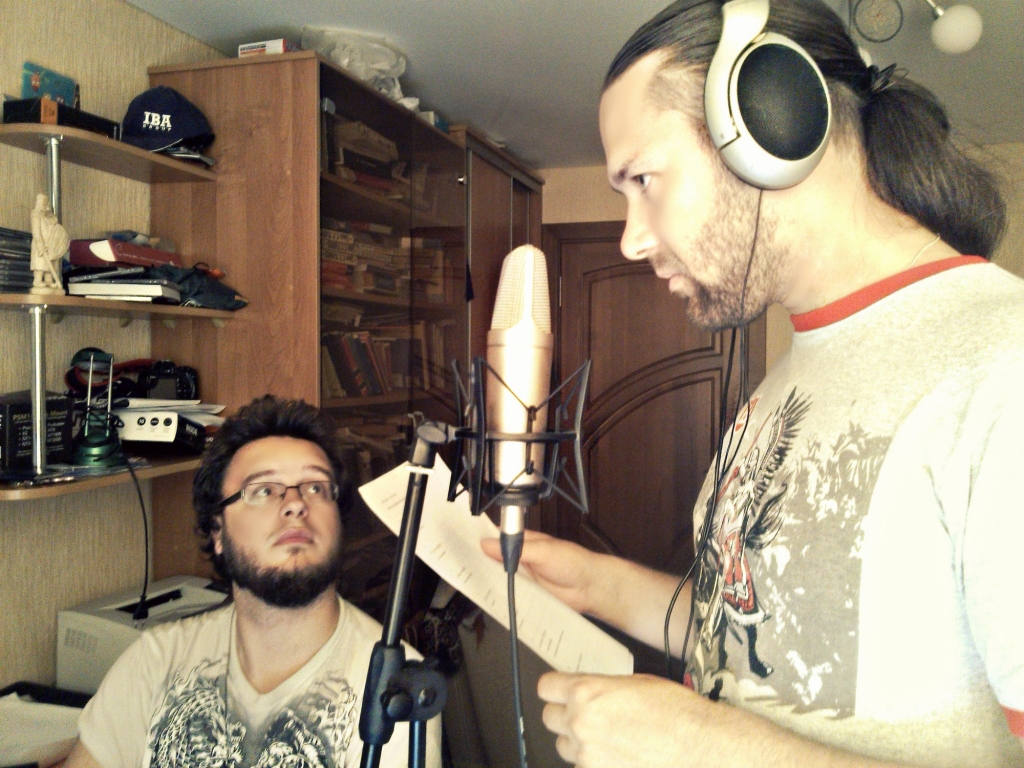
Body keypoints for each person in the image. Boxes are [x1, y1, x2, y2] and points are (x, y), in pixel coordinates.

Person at [483, 1, 1024, 766]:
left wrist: (701, 745)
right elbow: (766, 636)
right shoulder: (795, 371)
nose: (631, 239)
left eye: (643, 179)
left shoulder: (1002, 365)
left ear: (773, 123)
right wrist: (601, 585)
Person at [65, 395, 441, 767]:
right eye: (263, 490)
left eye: (315, 487)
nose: (295, 503)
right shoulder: (155, 661)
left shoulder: (395, 689)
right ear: (217, 531)